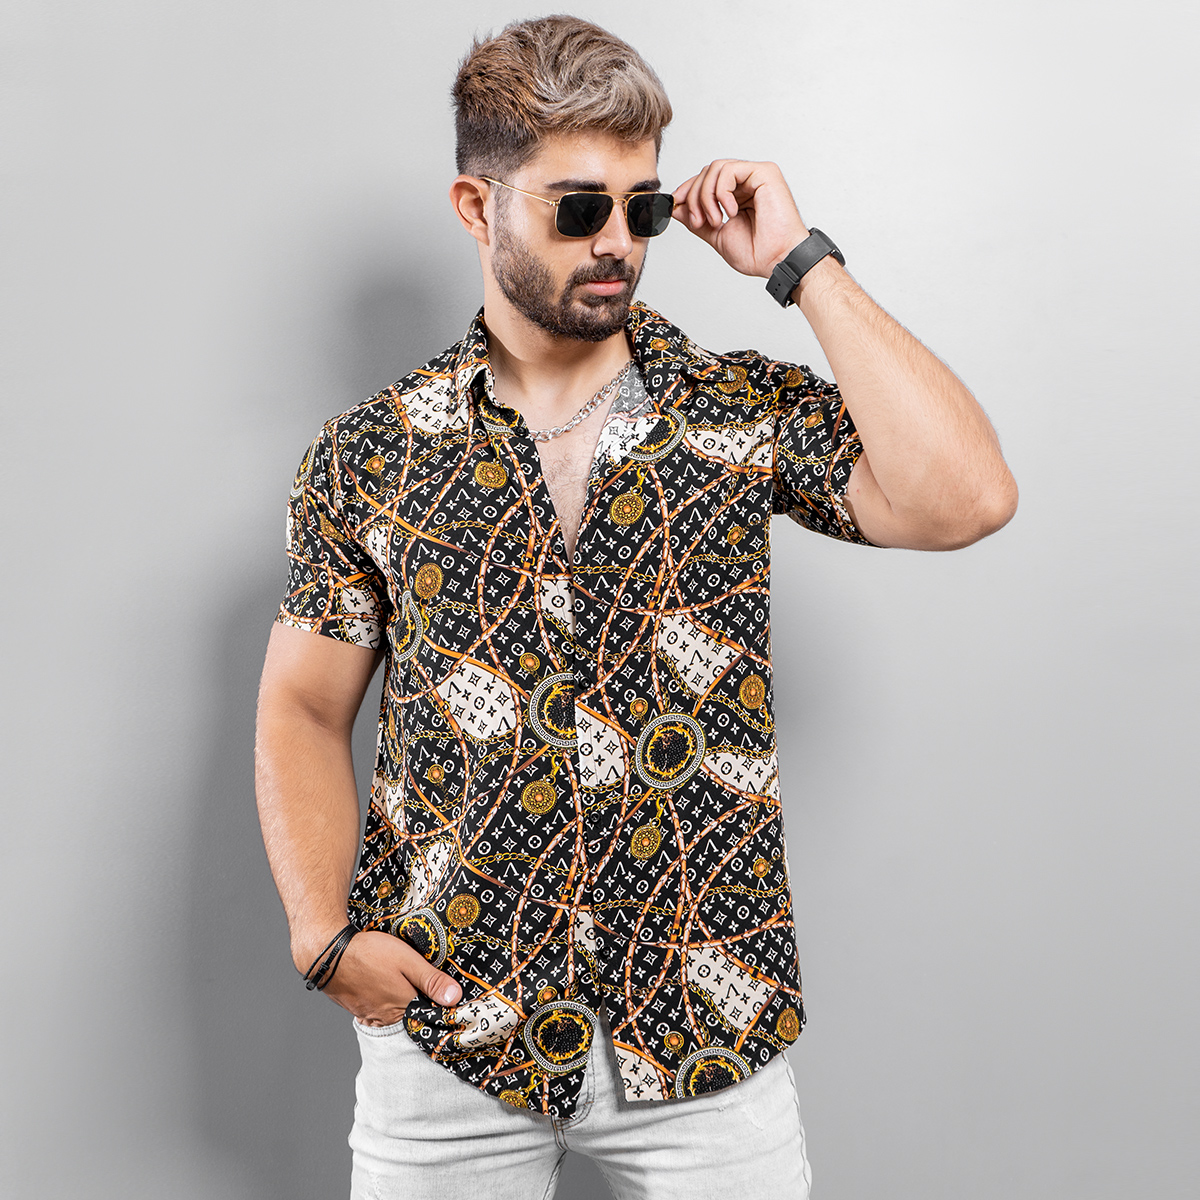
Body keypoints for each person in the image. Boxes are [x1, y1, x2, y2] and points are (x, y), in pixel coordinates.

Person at [254, 14, 1018, 1200]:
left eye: (642, 207)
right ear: (476, 208)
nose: (618, 241)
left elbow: (966, 498)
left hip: (706, 1031)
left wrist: (801, 263)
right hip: (453, 1034)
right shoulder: (369, 457)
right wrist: (321, 934)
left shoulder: (733, 412)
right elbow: (304, 706)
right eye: (578, 208)